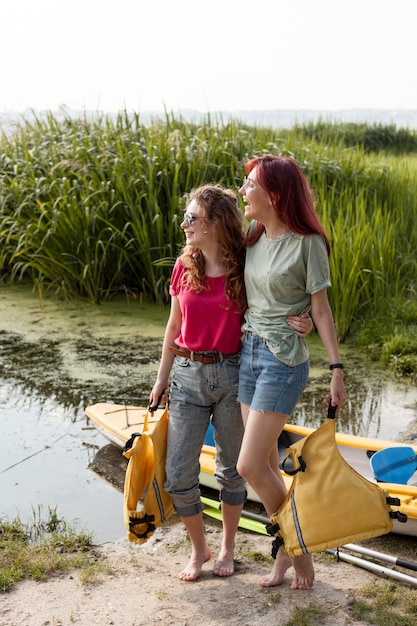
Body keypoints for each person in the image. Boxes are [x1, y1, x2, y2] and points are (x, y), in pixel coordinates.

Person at [150, 184, 313, 582]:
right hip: (187, 377)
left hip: (234, 373)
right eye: (186, 216)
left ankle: (226, 548)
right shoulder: (181, 266)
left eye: (193, 218)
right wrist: (161, 380)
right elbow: (173, 327)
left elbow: (277, 300)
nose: (185, 224)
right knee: (178, 473)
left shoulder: (245, 263)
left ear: (216, 223)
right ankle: (198, 549)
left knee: (232, 471)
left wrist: (302, 321)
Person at [236, 154, 348, 591]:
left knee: (248, 466)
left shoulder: (308, 243)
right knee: (264, 463)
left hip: (283, 363)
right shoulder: (253, 236)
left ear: (275, 194)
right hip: (248, 355)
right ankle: (284, 557)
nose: (244, 191)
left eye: (250, 185)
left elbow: (320, 308)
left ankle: (299, 550)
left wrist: (336, 369)